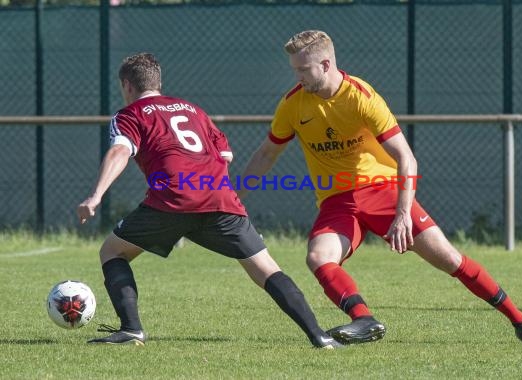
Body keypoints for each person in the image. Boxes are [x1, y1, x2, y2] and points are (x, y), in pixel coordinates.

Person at [238, 30, 522, 345]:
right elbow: (266, 154)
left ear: (326, 64)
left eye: (303, 69)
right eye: (294, 69)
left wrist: (401, 215)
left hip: (383, 192)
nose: (297, 76)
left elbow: (406, 158)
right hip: (337, 199)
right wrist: (235, 199)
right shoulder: (292, 104)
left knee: (450, 260)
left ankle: (521, 321)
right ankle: (364, 320)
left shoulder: (361, 97)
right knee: (318, 257)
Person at [76, 52, 341, 349]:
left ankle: (131, 330)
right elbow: (225, 155)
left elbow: (120, 152)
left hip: (173, 199)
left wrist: (96, 195)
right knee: (266, 269)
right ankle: (320, 336)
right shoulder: (194, 110)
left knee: (112, 251)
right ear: (158, 82)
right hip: (219, 197)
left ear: (126, 85)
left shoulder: (129, 115)